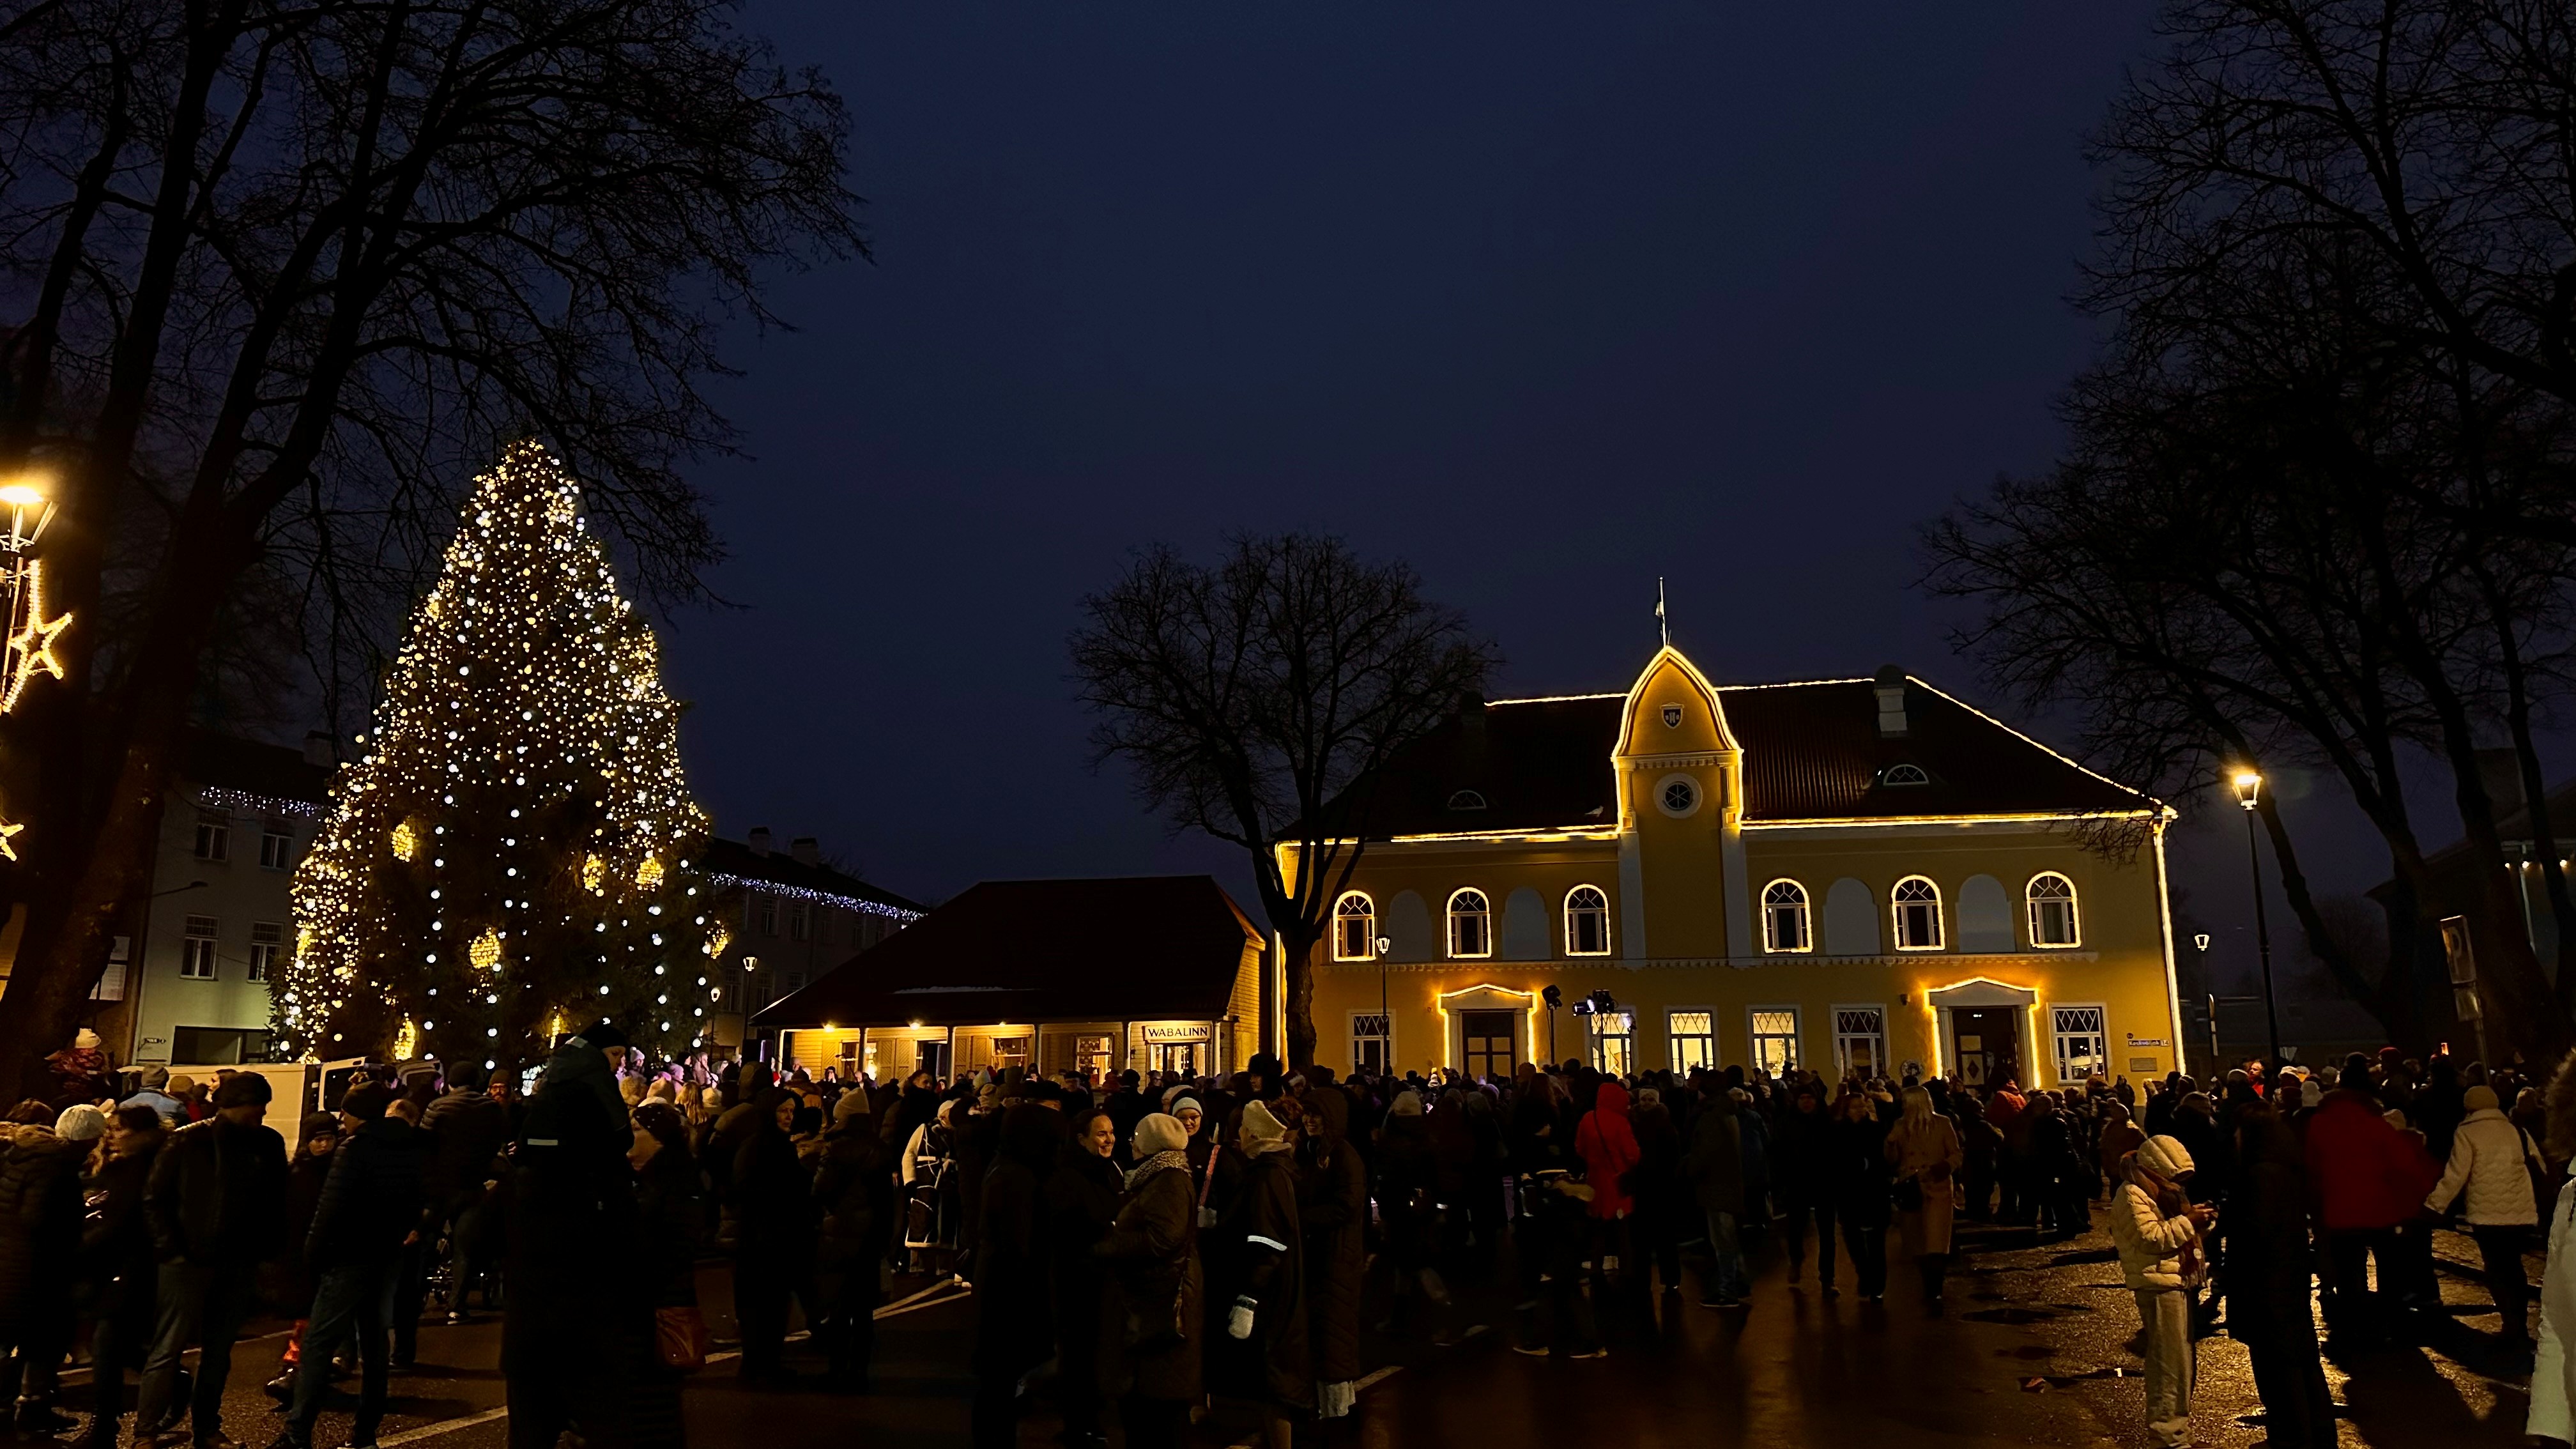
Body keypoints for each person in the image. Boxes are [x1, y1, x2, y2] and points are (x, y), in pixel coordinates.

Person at [500, 1023, 640, 1449]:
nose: (618, 1066)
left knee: (530, 1425)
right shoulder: (597, 1192)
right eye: (616, 1056)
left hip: (530, 1336)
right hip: (583, 1329)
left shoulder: (523, 1187)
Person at [272, 1082, 429, 1449]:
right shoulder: (410, 1147)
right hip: (387, 1255)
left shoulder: (355, 1149)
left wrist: (311, 1256)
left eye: (346, 1112)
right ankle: (365, 1433)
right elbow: (418, 1198)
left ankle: (298, 1432)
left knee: (318, 1345)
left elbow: (330, 1209)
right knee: (375, 1347)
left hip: (347, 1257)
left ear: (356, 1113)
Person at [136, 1071, 289, 1449]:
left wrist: (265, 1248)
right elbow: (155, 1198)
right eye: (257, 1106)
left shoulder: (265, 1144)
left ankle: (206, 1428)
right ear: (234, 1105)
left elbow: (276, 1201)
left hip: (236, 1259)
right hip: (188, 1259)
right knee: (169, 1347)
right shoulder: (188, 1140)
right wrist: (171, 1249)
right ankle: (147, 1431)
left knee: (217, 1353)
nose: (262, 1114)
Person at [2304, 1057, 2439, 1349]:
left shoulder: (2320, 1122)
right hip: (2380, 1207)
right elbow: (2403, 1165)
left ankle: (2357, 1325)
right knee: (2390, 1270)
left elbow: (2312, 1167)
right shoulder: (2374, 1124)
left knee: (2349, 1271)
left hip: (2339, 1208)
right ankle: (2392, 1322)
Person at [2220, 1106, 2334, 1449]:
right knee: (2300, 1362)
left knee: (2278, 1369)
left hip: (2268, 1287)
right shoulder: (2284, 1170)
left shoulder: (2262, 1175)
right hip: (2287, 1280)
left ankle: (2293, 1436)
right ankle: (2315, 1433)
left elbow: (2257, 1231)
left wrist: (2226, 1224)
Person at [1209, 1099, 1308, 1449]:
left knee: (1274, 1387)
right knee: (1269, 1386)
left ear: (1253, 1132)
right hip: (1275, 1294)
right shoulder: (1273, 1170)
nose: (1238, 1134)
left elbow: (1267, 1241)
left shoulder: (1268, 1176)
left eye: (1243, 1128)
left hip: (1270, 1300)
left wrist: (1247, 1299)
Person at [1103, 1112, 1201, 1449]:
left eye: (1137, 1135)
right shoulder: (1157, 1177)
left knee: (1160, 1406)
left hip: (1163, 1301)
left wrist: (1110, 1244)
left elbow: (1163, 1239)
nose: (1131, 1142)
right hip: (1154, 1298)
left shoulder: (1169, 1180)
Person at [2425, 1082, 2541, 1354]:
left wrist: (2434, 1205)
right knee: (2515, 1268)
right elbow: (2539, 1164)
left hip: (2486, 1214)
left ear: (2469, 1106)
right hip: (2520, 1211)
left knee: (2496, 1268)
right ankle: (2520, 1324)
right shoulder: (2516, 1130)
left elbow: (2456, 1174)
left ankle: (2510, 1325)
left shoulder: (2468, 1132)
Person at [969, 1104, 1060, 1449]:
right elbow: (1017, 1244)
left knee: (998, 1385)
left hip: (1002, 1290)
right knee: (998, 1385)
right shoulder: (1016, 1177)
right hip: (1007, 1295)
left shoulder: (1011, 1168)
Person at [2112, 1135, 2212, 1449]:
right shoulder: (2132, 1194)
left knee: (2181, 1364)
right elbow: (2152, 1239)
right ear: (2157, 1169)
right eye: (2174, 1176)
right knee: (2169, 1365)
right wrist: (2189, 1221)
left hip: (2175, 1281)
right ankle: (2167, 1437)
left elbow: (2171, 1232)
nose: (2177, 1184)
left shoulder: (2156, 1191)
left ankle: (2177, 1432)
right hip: (2157, 1285)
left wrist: (2199, 1222)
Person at [1, 1103, 95, 1434]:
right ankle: (31, 1408)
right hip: (36, 1266)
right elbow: (37, 1216)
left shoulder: (21, 1156)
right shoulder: (58, 1167)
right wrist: (75, 1222)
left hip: (11, 1259)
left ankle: (23, 1407)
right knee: (42, 1340)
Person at [79, 1106, 166, 1449]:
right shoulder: (119, 1166)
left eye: (119, 1129)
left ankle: (104, 1425)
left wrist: (86, 1244)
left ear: (142, 1133)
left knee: (107, 1343)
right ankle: (172, 1381)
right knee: (118, 1346)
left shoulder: (150, 1166)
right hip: (112, 1266)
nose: (111, 1136)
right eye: (110, 1129)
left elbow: (123, 1219)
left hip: (134, 1266)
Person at [1045, 1108, 1124, 1448]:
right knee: (1079, 1352)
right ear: (1081, 1139)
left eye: (1111, 1133)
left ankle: (1091, 1418)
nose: (1109, 1140)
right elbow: (1072, 1224)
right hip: (1077, 1275)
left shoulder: (1107, 1169)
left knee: (1096, 1350)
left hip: (1100, 1274)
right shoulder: (1069, 1175)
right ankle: (1079, 1422)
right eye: (1101, 1134)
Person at [730, 1087, 819, 1386]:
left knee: (773, 1309)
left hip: (777, 1239)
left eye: (792, 1112)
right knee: (761, 1309)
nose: (788, 1117)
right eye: (783, 1111)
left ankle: (766, 1365)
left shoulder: (779, 1145)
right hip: (762, 1241)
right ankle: (758, 1368)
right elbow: (745, 1189)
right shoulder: (758, 1146)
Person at [629, 1101, 702, 1449]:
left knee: (655, 1399)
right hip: (646, 1300)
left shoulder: (674, 1178)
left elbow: (678, 1243)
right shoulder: (644, 1177)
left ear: (657, 1140)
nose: (629, 1138)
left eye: (637, 1131)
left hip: (659, 1301)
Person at [812, 1092, 894, 1391]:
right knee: (863, 1313)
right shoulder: (879, 1150)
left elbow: (820, 1189)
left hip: (839, 1232)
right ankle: (859, 1371)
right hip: (869, 1237)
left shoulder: (836, 1148)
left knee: (838, 1308)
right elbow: (887, 1202)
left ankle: (836, 1369)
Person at [1885, 1085, 1963, 1313]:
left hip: (1936, 1187)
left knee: (1937, 1241)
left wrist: (1941, 1169)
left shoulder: (1942, 1123)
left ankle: (1934, 1289)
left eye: (1907, 1102)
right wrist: (1890, 1144)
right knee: (1916, 1241)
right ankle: (1928, 1284)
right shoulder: (1900, 1126)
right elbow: (1891, 1160)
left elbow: (1956, 1153)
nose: (1903, 1105)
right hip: (1910, 1187)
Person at [1682, 1086, 1748, 1307]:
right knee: (1729, 1239)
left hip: (1716, 1187)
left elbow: (1705, 1153)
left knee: (1723, 1242)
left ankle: (1728, 1290)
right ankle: (1738, 1283)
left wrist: (1688, 1169)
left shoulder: (1711, 1119)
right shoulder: (1729, 1115)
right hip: (1729, 1185)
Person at [1828, 1089, 1892, 1300]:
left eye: (1862, 1105)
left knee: (1876, 1241)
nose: (1860, 1110)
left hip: (1874, 1191)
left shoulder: (1876, 1130)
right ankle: (1864, 1273)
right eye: (1855, 1107)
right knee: (1853, 1238)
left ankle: (1877, 1284)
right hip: (1848, 1192)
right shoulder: (1838, 1131)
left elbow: (1883, 1159)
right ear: (1846, 1110)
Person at [1772, 1083, 1836, 1290]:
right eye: (1803, 1098)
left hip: (1824, 1183)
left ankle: (1827, 1277)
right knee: (1795, 1229)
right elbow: (1778, 1154)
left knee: (1827, 1233)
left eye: (1810, 1098)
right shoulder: (1786, 1124)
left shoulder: (1827, 1122)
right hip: (1796, 1183)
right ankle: (1796, 1261)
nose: (1807, 1102)